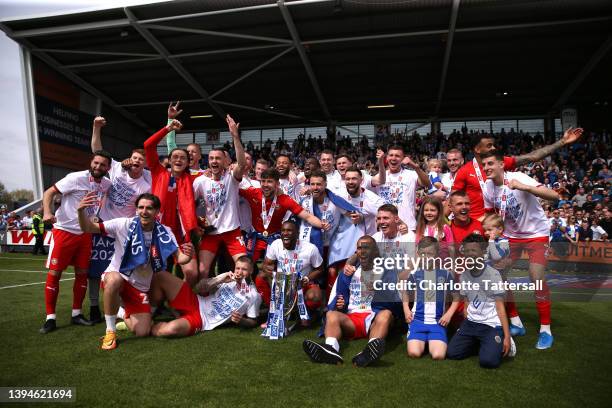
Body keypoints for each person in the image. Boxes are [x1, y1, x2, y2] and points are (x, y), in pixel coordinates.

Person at [77, 193, 192, 349]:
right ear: (136, 209)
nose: (144, 211)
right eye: (141, 207)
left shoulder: (165, 231)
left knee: (143, 331)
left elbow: (181, 258)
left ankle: (121, 312)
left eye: (149, 208)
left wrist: (189, 255)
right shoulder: (123, 224)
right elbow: (88, 227)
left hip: (139, 287)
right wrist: (80, 212)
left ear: (157, 211)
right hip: (117, 277)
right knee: (115, 280)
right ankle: (110, 331)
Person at [481, 150, 560, 349]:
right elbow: (491, 216)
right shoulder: (488, 188)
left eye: (491, 163)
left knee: (536, 276)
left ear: (501, 164)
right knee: (498, 273)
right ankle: (515, 321)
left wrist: (524, 187)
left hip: (536, 234)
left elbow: (554, 196)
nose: (487, 168)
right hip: (512, 236)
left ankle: (545, 330)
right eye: (484, 165)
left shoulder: (517, 177)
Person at [39, 150, 112, 334]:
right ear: (91, 162)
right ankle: (50, 318)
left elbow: (99, 201)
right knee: (55, 273)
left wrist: (95, 217)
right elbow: (49, 192)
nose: (98, 167)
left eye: (102, 164)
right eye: (96, 163)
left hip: (85, 234)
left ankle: (77, 314)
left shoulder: (106, 184)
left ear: (108, 168)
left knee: (82, 273)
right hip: (64, 231)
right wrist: (47, 212)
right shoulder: (75, 178)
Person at [90, 115, 152, 323]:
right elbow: (97, 151)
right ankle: (93, 308)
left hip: (121, 231)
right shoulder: (116, 168)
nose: (136, 161)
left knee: (123, 270)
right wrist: (96, 127)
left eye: (140, 160)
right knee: (96, 268)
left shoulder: (146, 184)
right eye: (134, 158)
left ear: (144, 165)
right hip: (101, 224)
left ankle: (123, 307)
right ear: (129, 159)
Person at [452, 128, 583, 221]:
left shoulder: (501, 162)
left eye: (493, 145)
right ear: (477, 149)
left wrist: (562, 142)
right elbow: (452, 199)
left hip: (501, 224)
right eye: (489, 146)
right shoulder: (464, 171)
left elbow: (532, 157)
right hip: (477, 223)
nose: (493, 148)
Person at [239, 169, 328, 303]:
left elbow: (307, 216)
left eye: (270, 181)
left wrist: (322, 225)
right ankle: (248, 297)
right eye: (263, 181)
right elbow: (233, 184)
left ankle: (276, 301)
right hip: (256, 238)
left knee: (272, 272)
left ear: (277, 184)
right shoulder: (253, 192)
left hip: (275, 239)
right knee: (245, 266)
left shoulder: (285, 200)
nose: (266, 185)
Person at [303, 235, 393, 367]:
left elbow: (393, 301)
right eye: (359, 248)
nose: (362, 251)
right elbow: (339, 297)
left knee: (386, 314)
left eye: (366, 248)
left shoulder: (386, 272)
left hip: (374, 318)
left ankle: (370, 351)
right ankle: (330, 349)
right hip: (352, 319)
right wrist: (341, 304)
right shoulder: (348, 273)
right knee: (331, 314)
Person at [446, 234, 515, 368]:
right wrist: (466, 322)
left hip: (491, 325)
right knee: (452, 353)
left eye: (474, 251)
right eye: (467, 251)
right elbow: (466, 303)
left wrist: (506, 336)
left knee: (488, 362)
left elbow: (500, 307)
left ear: (483, 252)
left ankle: (502, 341)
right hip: (471, 323)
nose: (469, 254)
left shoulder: (493, 275)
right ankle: (483, 343)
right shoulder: (464, 275)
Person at [149, 256, 262, 338]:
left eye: (244, 269)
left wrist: (241, 320)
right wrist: (220, 279)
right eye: (238, 268)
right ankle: (150, 313)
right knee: (160, 275)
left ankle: (149, 327)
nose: (239, 272)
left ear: (251, 271)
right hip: (195, 300)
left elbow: (253, 321)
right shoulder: (228, 279)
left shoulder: (253, 295)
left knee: (169, 330)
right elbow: (198, 289)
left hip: (202, 319)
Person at [193, 115, 248, 282]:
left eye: (218, 158)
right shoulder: (200, 181)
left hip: (232, 232)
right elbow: (198, 203)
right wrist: (201, 221)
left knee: (243, 268)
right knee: (202, 271)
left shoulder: (231, 178)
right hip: (211, 234)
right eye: (211, 158)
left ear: (225, 161)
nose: (214, 161)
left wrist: (235, 136)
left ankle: (243, 300)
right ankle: (206, 301)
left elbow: (242, 163)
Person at [143, 118, 199, 279]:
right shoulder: (158, 172)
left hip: (182, 233)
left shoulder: (194, 179)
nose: (178, 160)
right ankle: (157, 303)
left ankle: (180, 301)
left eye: (183, 158)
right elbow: (148, 145)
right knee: (159, 271)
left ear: (189, 162)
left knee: (190, 273)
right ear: (169, 160)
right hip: (159, 230)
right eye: (175, 156)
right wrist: (167, 128)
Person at [403, 237, 459, 359]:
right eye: (423, 254)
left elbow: (456, 297)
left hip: (438, 322)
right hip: (417, 321)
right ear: (418, 254)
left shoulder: (446, 273)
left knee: (438, 355)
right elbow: (406, 293)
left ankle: (433, 339)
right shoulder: (414, 274)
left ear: (437, 254)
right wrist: (406, 309)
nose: (426, 257)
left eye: (430, 254)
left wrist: (448, 315)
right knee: (414, 353)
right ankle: (421, 339)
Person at [262, 221, 323, 319]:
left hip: (301, 284)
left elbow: (319, 269)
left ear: (297, 233)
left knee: (314, 296)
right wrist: (272, 275)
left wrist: (307, 278)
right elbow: (266, 265)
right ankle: (273, 310)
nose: (285, 233)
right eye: (283, 230)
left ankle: (309, 312)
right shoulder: (275, 244)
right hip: (281, 283)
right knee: (260, 278)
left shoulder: (310, 248)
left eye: (289, 230)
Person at [376, 145, 430, 231]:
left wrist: (415, 166)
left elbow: (427, 183)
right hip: (385, 228)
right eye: (391, 155)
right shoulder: (379, 177)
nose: (393, 158)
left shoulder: (411, 174)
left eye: (397, 156)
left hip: (408, 226)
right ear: (386, 158)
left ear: (403, 159)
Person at [341, 166, 385, 236]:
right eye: (347, 179)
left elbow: (389, 216)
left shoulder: (373, 200)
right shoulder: (340, 196)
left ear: (361, 180)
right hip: (347, 243)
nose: (350, 182)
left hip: (367, 243)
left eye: (354, 179)